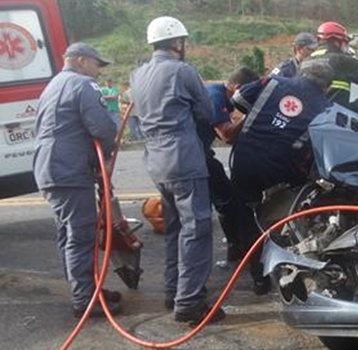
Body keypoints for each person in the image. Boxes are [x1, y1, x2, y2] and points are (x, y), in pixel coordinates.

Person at [129, 16, 224, 325]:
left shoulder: (137, 74)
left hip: (156, 161)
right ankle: (190, 302)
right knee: (196, 229)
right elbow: (206, 112)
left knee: (175, 228)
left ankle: (174, 291)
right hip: (182, 158)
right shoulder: (182, 71)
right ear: (177, 43)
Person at [33, 43, 122, 318]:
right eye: (97, 64)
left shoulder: (53, 85)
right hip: (69, 170)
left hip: (50, 169)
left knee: (67, 234)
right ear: (82, 61)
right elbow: (102, 127)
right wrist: (108, 150)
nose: (98, 72)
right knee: (82, 235)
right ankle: (85, 299)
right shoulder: (83, 85)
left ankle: (83, 289)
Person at [228, 61, 334, 290]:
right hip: (281, 170)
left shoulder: (272, 82)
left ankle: (258, 278)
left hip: (245, 160)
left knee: (247, 221)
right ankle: (289, 271)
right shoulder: (326, 108)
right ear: (326, 87)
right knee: (283, 221)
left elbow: (238, 100)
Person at [202, 67, 259, 263]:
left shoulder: (220, 95)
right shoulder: (215, 96)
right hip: (194, 157)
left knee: (226, 197)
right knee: (227, 200)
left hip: (198, 154)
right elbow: (226, 134)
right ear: (238, 88)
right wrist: (249, 115)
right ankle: (237, 248)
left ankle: (236, 248)